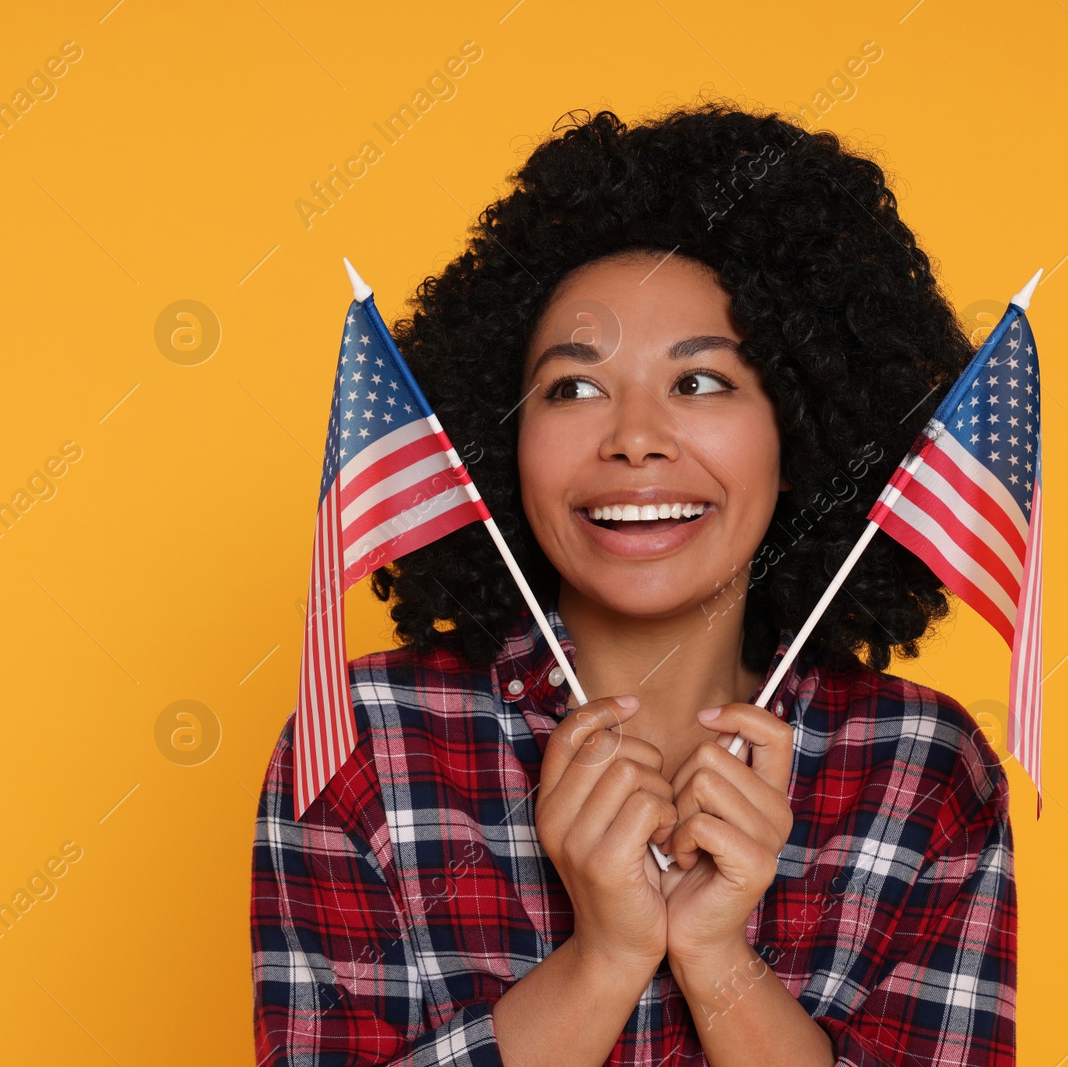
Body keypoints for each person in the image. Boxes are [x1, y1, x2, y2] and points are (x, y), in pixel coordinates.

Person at [250, 104, 1015, 1066]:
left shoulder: (923, 770)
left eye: (700, 383)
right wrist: (604, 958)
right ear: (500, 441)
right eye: (572, 387)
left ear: (802, 433)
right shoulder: (360, 746)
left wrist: (715, 955)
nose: (635, 437)